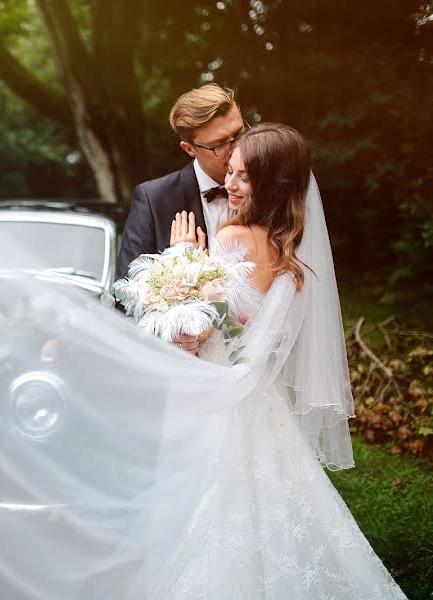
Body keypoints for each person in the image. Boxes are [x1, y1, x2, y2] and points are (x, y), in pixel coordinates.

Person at [144, 122, 408, 598]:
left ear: (270, 184)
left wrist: (180, 260)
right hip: (264, 401)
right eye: (233, 171)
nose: (231, 183)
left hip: (220, 397)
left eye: (244, 177)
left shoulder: (231, 238)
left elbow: (204, 329)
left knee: (213, 513)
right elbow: (248, 328)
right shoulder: (292, 252)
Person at [117, 84, 246, 354]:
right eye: (221, 144)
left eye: (239, 133)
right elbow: (125, 298)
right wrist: (172, 331)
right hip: (184, 368)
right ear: (189, 148)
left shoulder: (268, 188)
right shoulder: (154, 200)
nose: (236, 149)